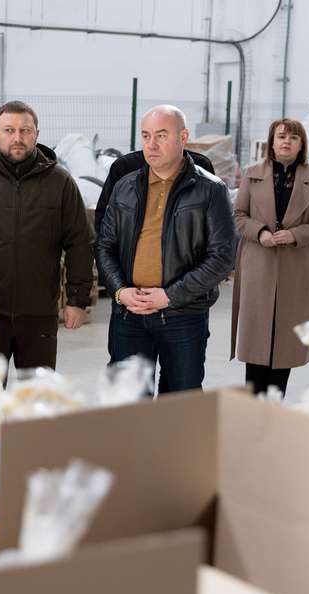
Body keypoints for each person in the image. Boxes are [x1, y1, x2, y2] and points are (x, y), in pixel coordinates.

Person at [96, 105, 234, 394]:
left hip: (183, 316)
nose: (151, 144)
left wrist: (170, 296)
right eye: (146, 135)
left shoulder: (210, 190)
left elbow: (222, 257)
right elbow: (105, 245)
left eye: (161, 135)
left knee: (179, 403)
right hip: (129, 315)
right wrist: (120, 291)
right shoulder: (124, 187)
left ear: (183, 137)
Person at [0, 100, 93, 371]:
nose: (17, 138)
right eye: (9, 130)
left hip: (39, 314)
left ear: (36, 134)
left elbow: (80, 243)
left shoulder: (60, 183)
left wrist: (77, 300)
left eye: (25, 131)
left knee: (37, 393)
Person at [230, 118, 309, 396]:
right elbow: (239, 215)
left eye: (293, 137)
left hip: (295, 267)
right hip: (259, 265)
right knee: (256, 339)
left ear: (302, 144)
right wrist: (260, 232)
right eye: (281, 136)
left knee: (285, 343)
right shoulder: (252, 174)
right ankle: (253, 406)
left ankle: (275, 404)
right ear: (272, 142)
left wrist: (295, 234)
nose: (287, 141)